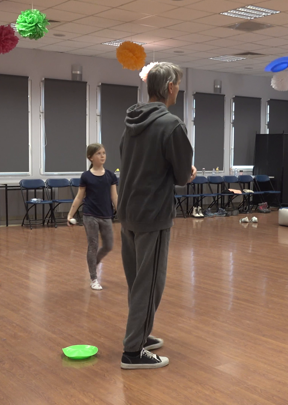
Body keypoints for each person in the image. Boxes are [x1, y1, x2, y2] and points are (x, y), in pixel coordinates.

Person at [117, 62, 195, 369]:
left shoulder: (131, 121)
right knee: (150, 283)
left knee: (137, 281)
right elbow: (181, 175)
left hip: (128, 211)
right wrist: (188, 173)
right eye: (178, 86)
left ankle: (140, 333)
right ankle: (133, 351)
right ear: (170, 87)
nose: (178, 90)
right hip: (152, 213)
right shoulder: (171, 124)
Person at [67, 143, 118, 291]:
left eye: (104, 153)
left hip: (106, 215)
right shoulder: (86, 176)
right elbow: (79, 197)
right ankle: (93, 278)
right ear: (90, 157)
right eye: (98, 153)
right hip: (90, 215)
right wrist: (70, 214)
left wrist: (122, 212)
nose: (102, 156)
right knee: (93, 245)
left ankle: (93, 262)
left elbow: (114, 197)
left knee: (108, 245)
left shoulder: (110, 175)